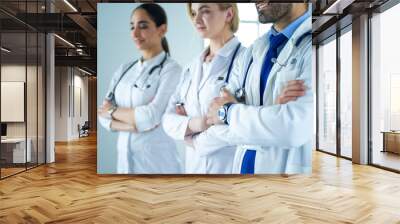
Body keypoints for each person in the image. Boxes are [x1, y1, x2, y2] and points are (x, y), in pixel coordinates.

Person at [198, 3, 312, 174]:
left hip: (287, 184)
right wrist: (271, 115)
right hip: (243, 175)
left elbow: (292, 129)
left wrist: (229, 113)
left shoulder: (316, 44)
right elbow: (214, 113)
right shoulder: (252, 52)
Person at [98, 3, 182, 174]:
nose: (135, 33)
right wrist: (131, 126)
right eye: (132, 27)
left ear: (162, 29)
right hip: (124, 163)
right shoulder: (124, 69)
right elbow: (101, 116)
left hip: (158, 165)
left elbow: (151, 116)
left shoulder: (171, 70)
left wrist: (112, 111)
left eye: (143, 26)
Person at [162, 3, 244, 174]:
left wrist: (193, 140)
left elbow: (241, 124)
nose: (196, 19)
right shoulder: (191, 67)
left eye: (205, 11)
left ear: (228, 14)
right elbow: (167, 118)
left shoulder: (246, 61)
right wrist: (198, 123)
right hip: (193, 168)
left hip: (228, 168)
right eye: (193, 13)